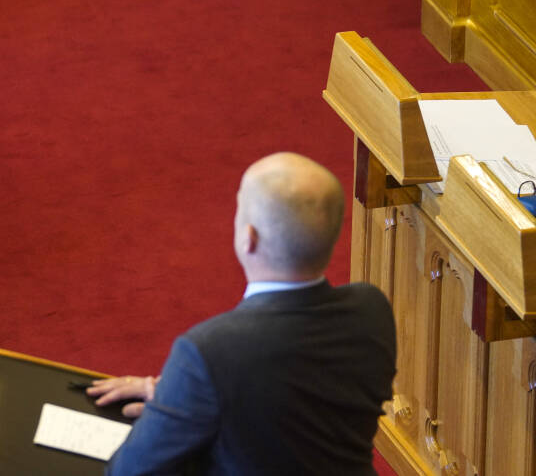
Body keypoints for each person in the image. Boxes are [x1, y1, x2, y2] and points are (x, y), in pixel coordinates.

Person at [87, 152, 396, 476]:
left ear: (248, 237)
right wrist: (181, 394)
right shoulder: (372, 310)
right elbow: (293, 392)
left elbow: (129, 472)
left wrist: (181, 395)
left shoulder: (208, 351)